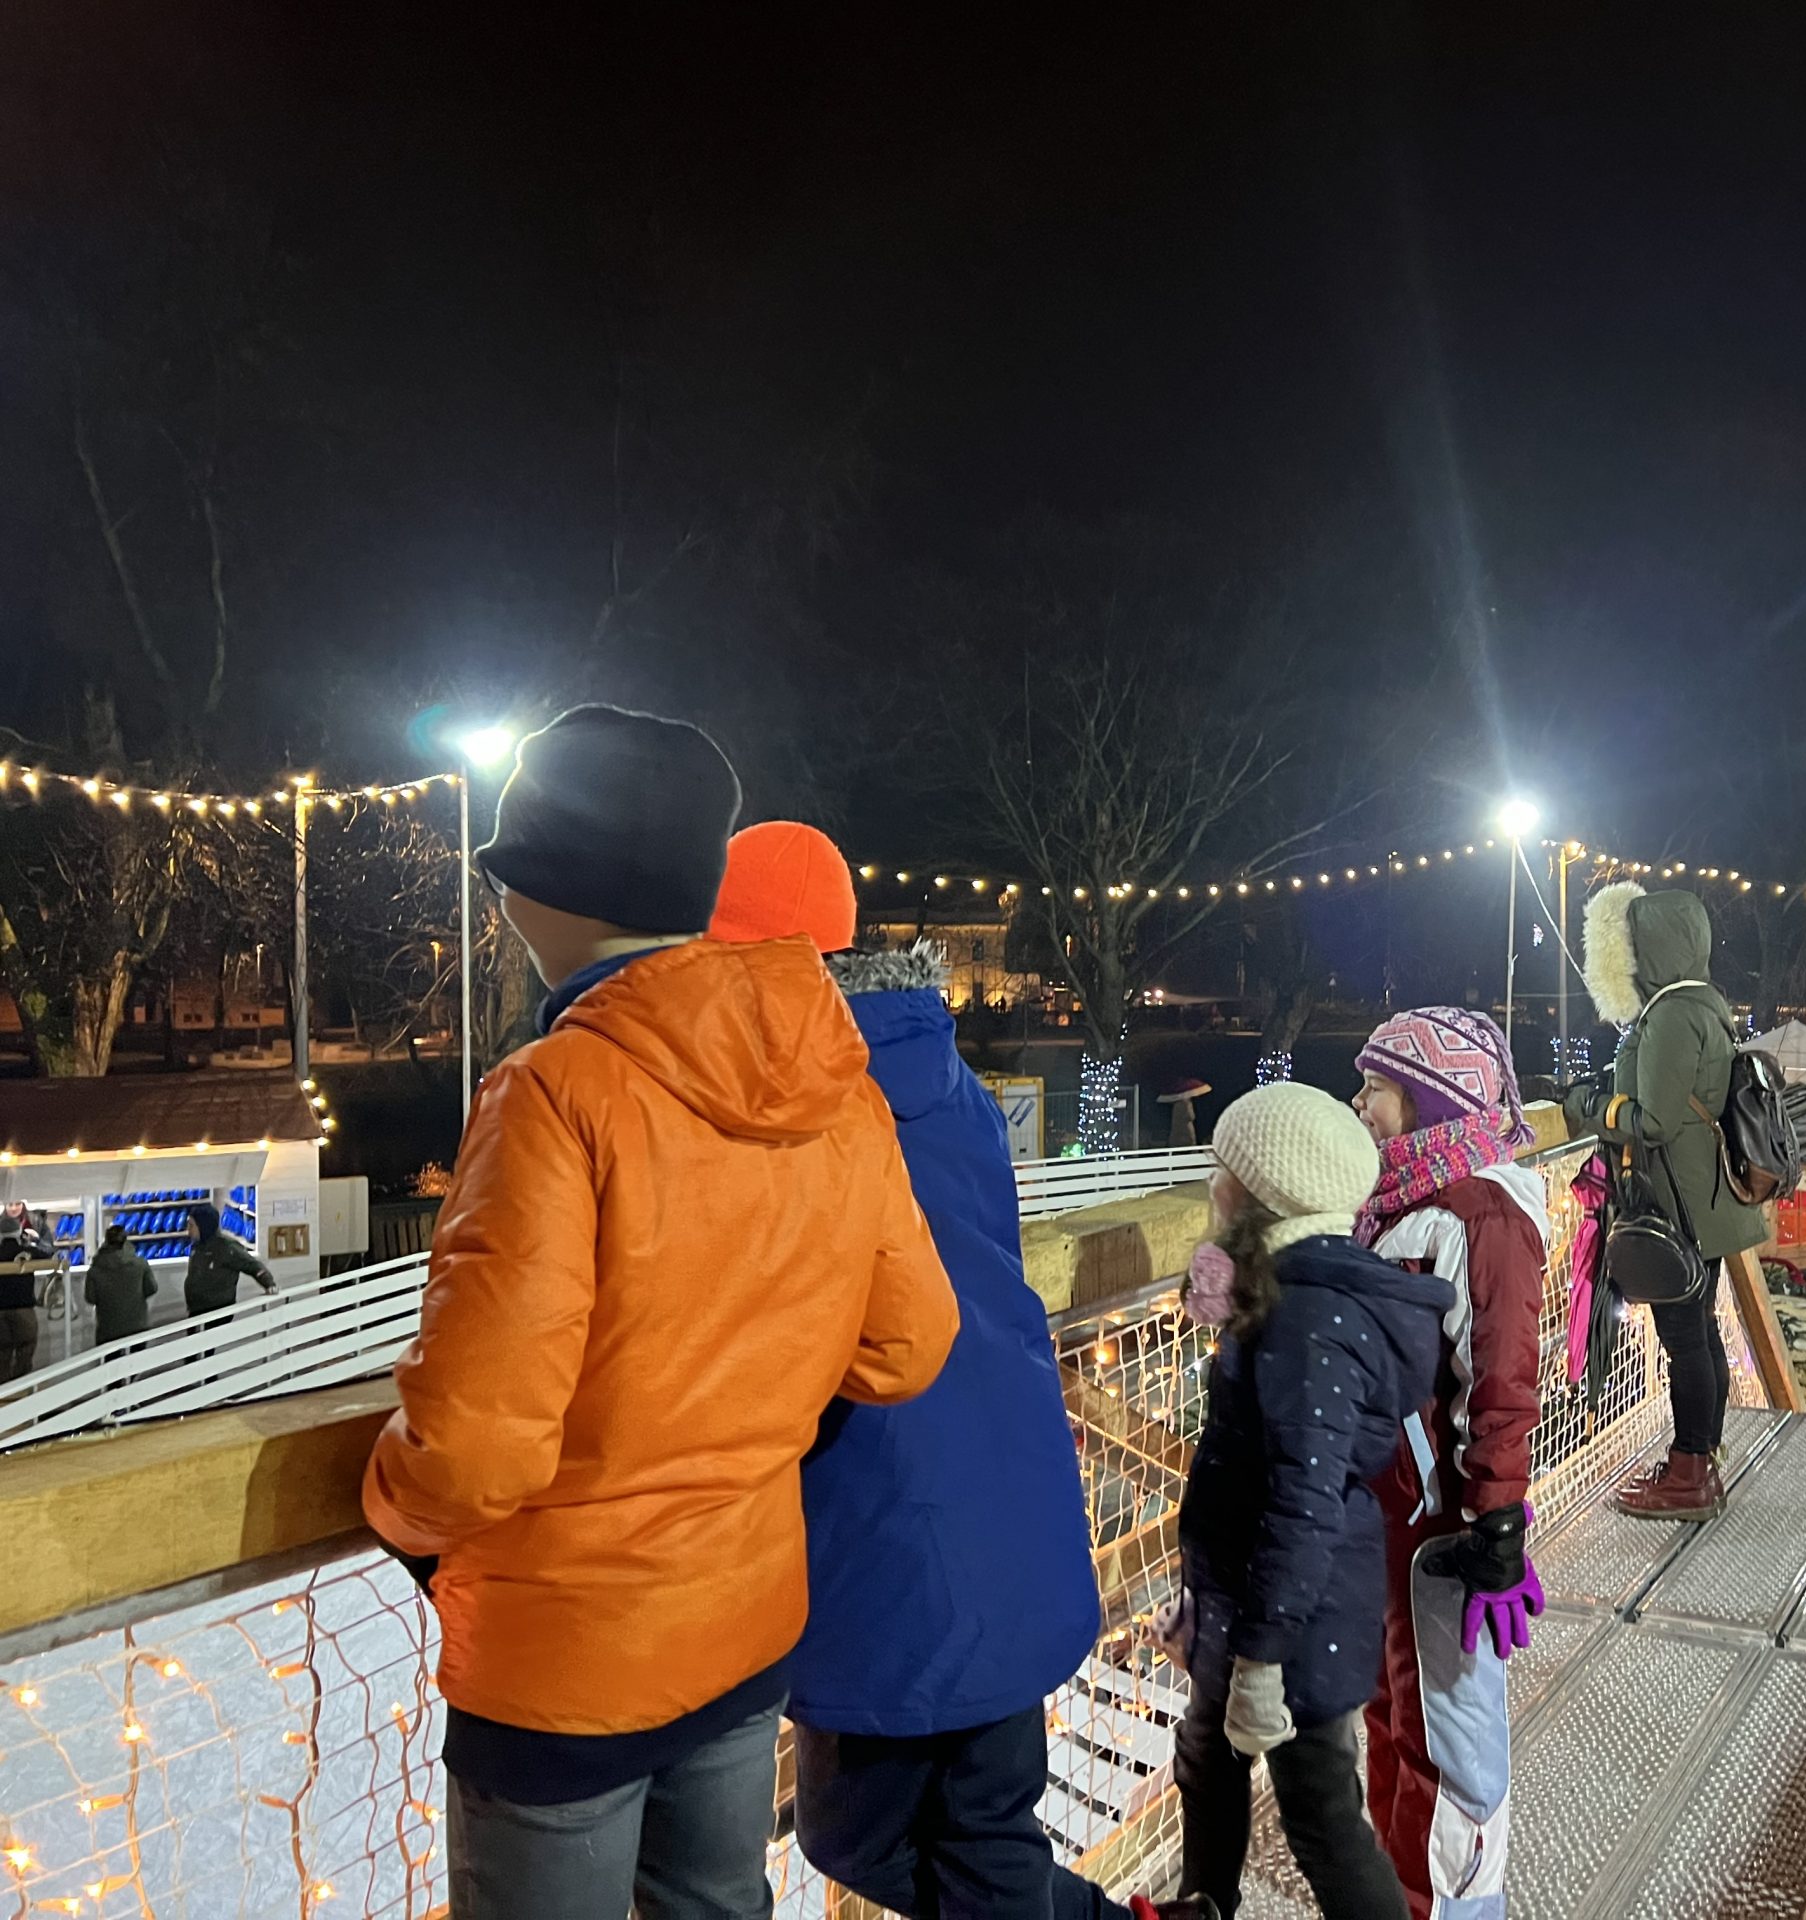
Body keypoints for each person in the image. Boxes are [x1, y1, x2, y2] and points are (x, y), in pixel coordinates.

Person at [362, 707, 960, 1920]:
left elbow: (475, 1446)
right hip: (743, 1625)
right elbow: (908, 1345)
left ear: (542, 894)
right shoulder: (831, 1075)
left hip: (567, 1664)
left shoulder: (555, 1091)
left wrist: (394, 1507)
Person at [705, 823, 1134, 1920]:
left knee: (880, 1834)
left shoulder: (773, 1095)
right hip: (1002, 1480)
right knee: (963, 1831)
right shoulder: (947, 1082)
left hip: (879, 1503)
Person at [1163, 1083, 1452, 1920]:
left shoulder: (1309, 1318)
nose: (1212, 1184)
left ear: (1264, 1194)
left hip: (1297, 1614)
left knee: (1319, 1809)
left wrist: (1260, 1659)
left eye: (1224, 1169)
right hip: (1251, 1597)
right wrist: (1205, 1604)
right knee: (1207, 1765)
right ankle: (1202, 1905)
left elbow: (1303, 1502)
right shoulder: (1287, 1287)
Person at [1349, 1007, 1550, 1920]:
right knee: (1393, 1715)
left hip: (1443, 1525)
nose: (1360, 1105)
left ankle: (1452, 1906)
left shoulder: (1481, 1212)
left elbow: (1501, 1369)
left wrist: (1496, 1518)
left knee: (1448, 1740)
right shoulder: (1405, 1199)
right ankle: (1394, 1894)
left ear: (1432, 1102)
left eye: (1376, 1089)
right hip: (1392, 1511)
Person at [1558, 882, 1768, 1519]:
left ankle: (1688, 1475)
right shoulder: (1703, 1003)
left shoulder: (1673, 1014)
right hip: (1703, 1201)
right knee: (1698, 1331)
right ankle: (1700, 1460)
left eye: (1631, 944)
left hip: (1679, 1206)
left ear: (1650, 947)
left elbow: (1653, 1121)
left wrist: (1588, 1105)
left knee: (1685, 1339)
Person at [183, 1202, 276, 1315]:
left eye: (191, 1225)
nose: (188, 1230)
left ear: (203, 1226)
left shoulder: (227, 1247)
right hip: (197, 1311)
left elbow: (253, 1265)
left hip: (219, 1313)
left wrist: (269, 1284)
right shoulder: (197, 1246)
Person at [85, 1224, 159, 1344]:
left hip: (108, 1329)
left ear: (106, 1241)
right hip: (137, 1325)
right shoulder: (140, 1264)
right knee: (138, 1355)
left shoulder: (95, 1270)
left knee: (110, 1356)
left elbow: (90, 1298)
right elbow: (152, 1288)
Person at [0, 1235, 39, 1382]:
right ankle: (21, 1384)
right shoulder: (27, 1252)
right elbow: (48, 1253)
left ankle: (4, 1388)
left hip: (0, 1309)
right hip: (23, 1309)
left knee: (3, 1352)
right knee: (26, 1347)